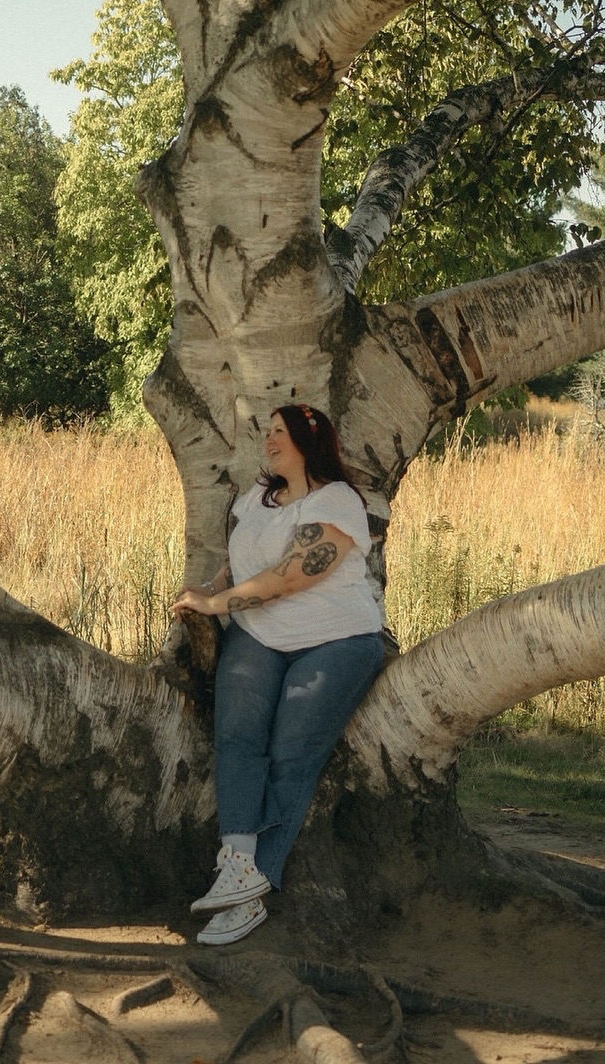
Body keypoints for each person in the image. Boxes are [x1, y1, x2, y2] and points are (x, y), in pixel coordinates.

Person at [169, 403, 383, 945]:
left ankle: (251, 891)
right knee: (237, 739)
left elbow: (289, 577)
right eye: (267, 432)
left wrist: (215, 605)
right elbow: (240, 561)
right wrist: (211, 589)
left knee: (291, 753)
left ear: (309, 442)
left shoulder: (337, 500)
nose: (269, 441)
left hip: (334, 640)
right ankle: (237, 863)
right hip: (259, 636)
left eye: (280, 433)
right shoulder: (259, 498)